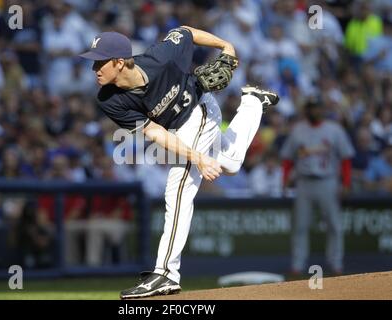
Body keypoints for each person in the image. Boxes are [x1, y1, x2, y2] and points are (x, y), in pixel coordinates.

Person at [79, 27, 279, 299]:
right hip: (175, 129)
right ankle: (254, 102)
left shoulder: (160, 57)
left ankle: (165, 273)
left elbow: (185, 32)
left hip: (199, 109)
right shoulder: (109, 99)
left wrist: (226, 45)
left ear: (120, 61)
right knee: (229, 163)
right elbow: (154, 132)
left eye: (100, 61)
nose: (94, 68)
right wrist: (198, 157)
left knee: (178, 188)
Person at [280, 98, 355, 276]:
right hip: (304, 182)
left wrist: (346, 182)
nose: (314, 111)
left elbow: (345, 159)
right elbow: (288, 158)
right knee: (300, 226)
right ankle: (297, 266)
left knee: (334, 225)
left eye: (317, 108)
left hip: (327, 181)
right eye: (311, 108)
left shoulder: (334, 130)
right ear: (307, 110)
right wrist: (284, 181)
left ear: (322, 109)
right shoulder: (298, 130)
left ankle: (336, 264)